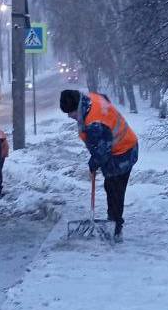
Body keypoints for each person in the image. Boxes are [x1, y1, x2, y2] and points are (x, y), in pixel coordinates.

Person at [59, 89, 138, 241]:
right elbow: (104, 98)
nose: (70, 116)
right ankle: (114, 222)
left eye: (71, 113)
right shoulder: (90, 99)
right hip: (122, 146)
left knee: (115, 189)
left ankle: (115, 228)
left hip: (124, 151)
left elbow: (103, 151)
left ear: (77, 107)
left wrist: (93, 164)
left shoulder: (95, 122)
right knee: (112, 187)